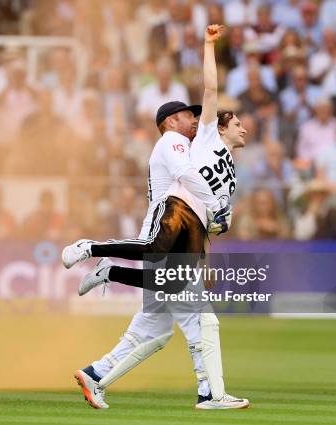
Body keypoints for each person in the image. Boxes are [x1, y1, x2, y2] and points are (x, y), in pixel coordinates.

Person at [63, 25, 248, 411]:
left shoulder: (227, 164)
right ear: (170, 121)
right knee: (198, 320)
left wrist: (217, 219)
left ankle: (96, 373)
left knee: (155, 329)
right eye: (186, 116)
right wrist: (209, 45)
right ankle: (210, 393)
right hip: (169, 220)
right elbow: (210, 96)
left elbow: (211, 215)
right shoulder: (189, 140)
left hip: (185, 230)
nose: (194, 120)